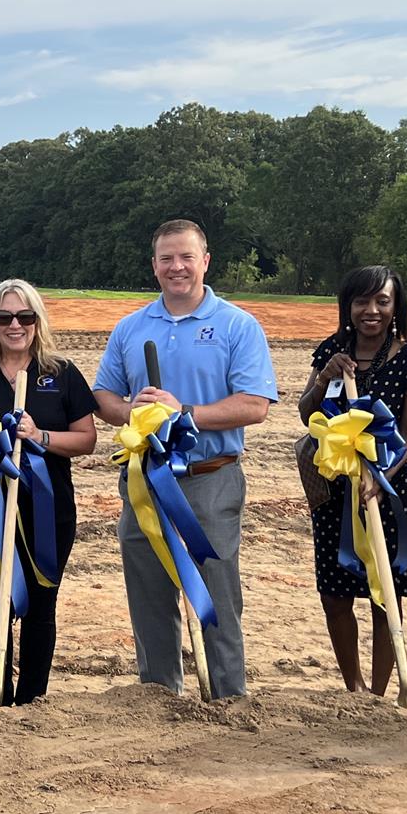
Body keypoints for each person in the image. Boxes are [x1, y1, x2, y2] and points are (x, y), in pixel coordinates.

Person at [92, 220, 277, 698]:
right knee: (149, 589)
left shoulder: (237, 324)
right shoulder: (131, 328)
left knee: (215, 591)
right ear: (154, 266)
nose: (177, 267)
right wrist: (131, 410)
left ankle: (227, 696)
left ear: (205, 261)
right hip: (146, 480)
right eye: (167, 259)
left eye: (186, 257)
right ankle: (157, 693)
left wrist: (185, 412)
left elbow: (255, 404)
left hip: (209, 477)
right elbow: (104, 397)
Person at [0, 279, 99, 703]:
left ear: (37, 321)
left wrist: (40, 435)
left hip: (48, 509)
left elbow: (86, 439)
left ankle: (32, 701)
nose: (15, 325)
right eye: (5, 316)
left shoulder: (60, 374)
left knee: (42, 605)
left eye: (24, 316)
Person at [295, 265, 407, 695]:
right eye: (361, 301)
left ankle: (379, 693)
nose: (371, 311)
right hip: (335, 486)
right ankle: (353, 689)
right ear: (348, 306)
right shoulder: (332, 351)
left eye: (382, 301)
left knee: (383, 591)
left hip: (388, 488)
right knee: (335, 592)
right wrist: (324, 378)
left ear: (396, 307)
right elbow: (306, 413)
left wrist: (382, 477)